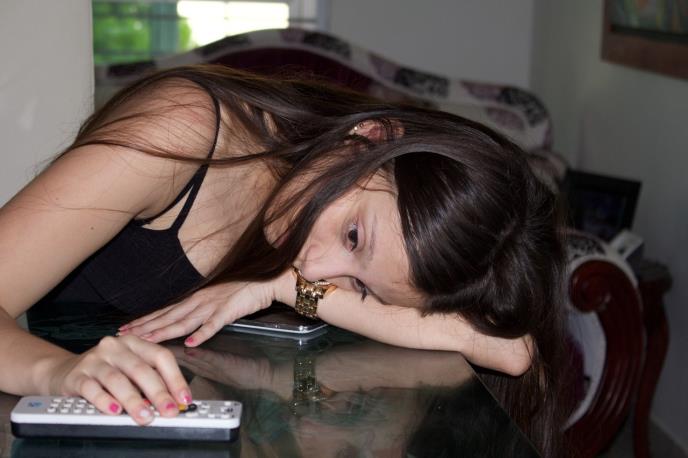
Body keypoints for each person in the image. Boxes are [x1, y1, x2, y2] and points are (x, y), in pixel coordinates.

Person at [0, 64, 567, 455]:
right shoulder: (180, 130)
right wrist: (58, 372)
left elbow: (511, 352)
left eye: (360, 288)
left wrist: (281, 289)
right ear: (369, 138)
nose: (317, 272)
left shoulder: (316, 238)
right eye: (353, 237)